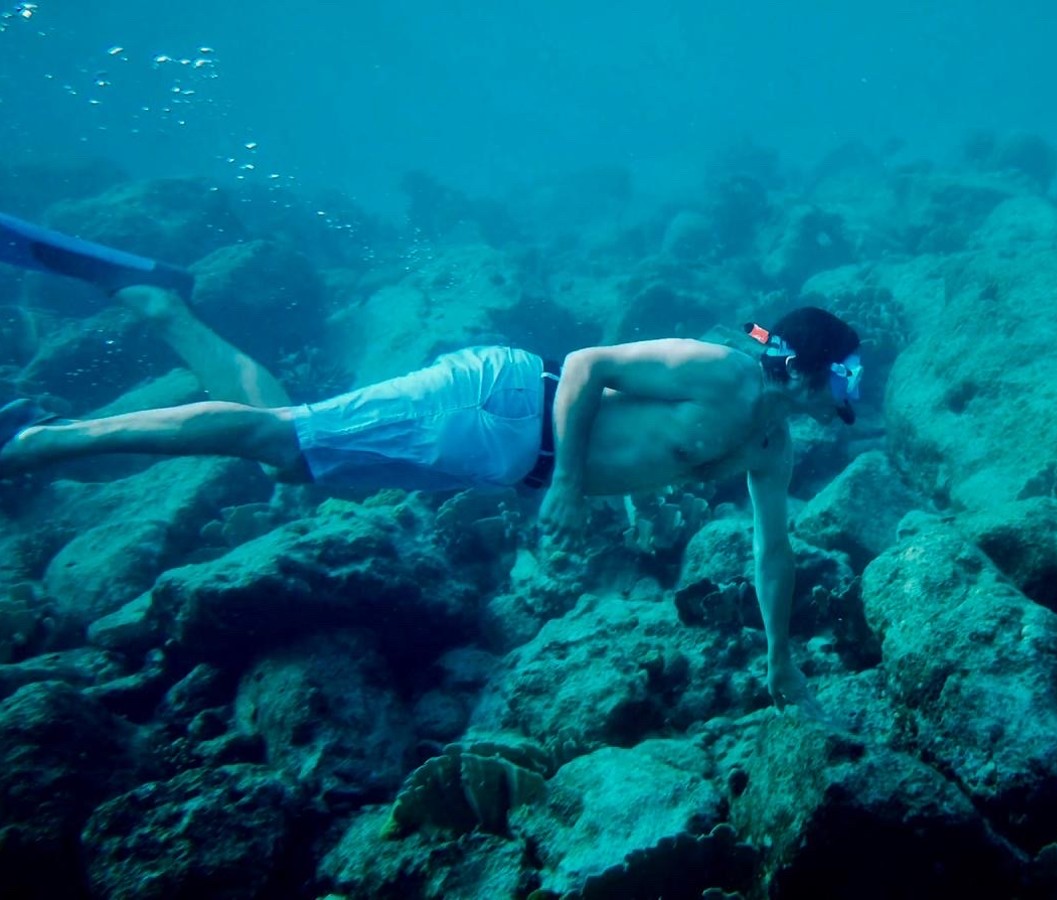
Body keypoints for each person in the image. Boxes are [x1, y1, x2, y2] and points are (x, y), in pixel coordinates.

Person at [0, 213, 864, 712]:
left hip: (501, 457)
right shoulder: (716, 371)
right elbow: (593, 363)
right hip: (498, 409)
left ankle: (162, 306)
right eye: (848, 377)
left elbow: (772, 552)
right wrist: (566, 482)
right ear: (813, 368)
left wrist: (781, 656)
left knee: (283, 454)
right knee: (280, 440)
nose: (849, 397)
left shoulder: (769, 441)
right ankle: (41, 444)